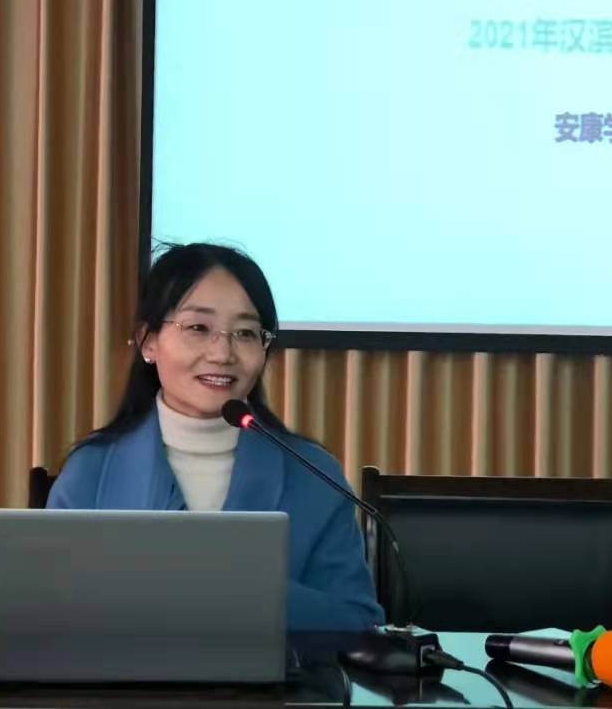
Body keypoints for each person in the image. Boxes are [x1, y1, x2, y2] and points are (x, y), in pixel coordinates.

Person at [48, 242, 384, 631]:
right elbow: (50, 615)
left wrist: (246, 592)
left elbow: (357, 621)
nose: (223, 353)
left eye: (245, 333)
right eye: (198, 328)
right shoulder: (91, 471)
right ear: (148, 341)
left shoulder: (313, 475)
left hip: (275, 674)